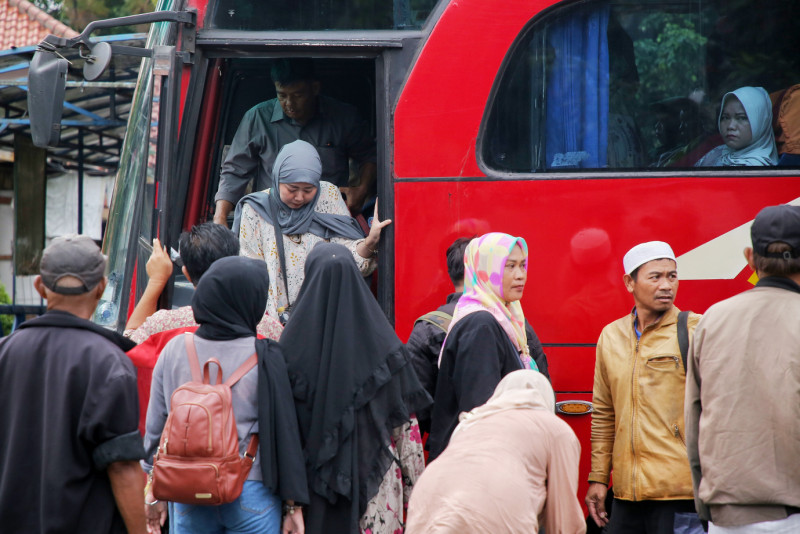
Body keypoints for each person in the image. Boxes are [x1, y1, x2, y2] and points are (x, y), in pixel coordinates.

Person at [143, 256, 307, 534]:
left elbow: (155, 431)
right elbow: (285, 434)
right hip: (250, 489)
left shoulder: (173, 350)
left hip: (186, 487)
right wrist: (293, 506)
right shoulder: (265, 355)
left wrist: (153, 491)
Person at [279, 242, 432, 534]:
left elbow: (282, 434)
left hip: (307, 500)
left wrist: (288, 503)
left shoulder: (287, 351)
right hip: (376, 497)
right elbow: (407, 435)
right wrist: (417, 501)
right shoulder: (387, 350)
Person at [0, 234, 146, 533]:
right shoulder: (110, 363)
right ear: (101, 288)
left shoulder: (5, 353)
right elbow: (122, 466)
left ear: (39, 286)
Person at [685, 204, 800, 533]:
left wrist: (706, 506)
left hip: (728, 513)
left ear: (750, 258)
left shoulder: (712, 319)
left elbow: (694, 422)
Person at [585, 241, 701, 533]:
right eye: (655, 277)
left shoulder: (695, 330)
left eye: (672, 276)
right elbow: (604, 413)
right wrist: (598, 478)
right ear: (629, 282)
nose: (666, 285)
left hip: (679, 492)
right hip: (626, 494)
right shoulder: (611, 336)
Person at [406, 370, 585, 534]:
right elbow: (564, 521)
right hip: (497, 503)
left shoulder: (472, 420)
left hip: (428, 494)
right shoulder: (556, 429)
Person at [406, 236, 549, 435]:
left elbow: (415, 406)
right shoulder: (482, 325)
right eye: (509, 266)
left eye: (523, 265)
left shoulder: (512, 320)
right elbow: (482, 412)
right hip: (484, 446)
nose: (521, 275)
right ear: (485, 269)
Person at [234, 139, 388, 319]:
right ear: (277, 179)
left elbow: (347, 261)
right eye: (292, 189)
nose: (300, 197)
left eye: (308, 189)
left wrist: (370, 242)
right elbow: (250, 273)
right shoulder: (255, 209)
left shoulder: (328, 196)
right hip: (273, 320)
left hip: (326, 314)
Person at [214, 58, 377, 222]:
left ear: (315, 88)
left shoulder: (344, 118)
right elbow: (235, 170)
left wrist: (362, 190)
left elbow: (370, 156)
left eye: (298, 95)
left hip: (327, 219)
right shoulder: (257, 118)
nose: (289, 104)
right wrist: (220, 217)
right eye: (282, 95)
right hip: (272, 219)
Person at [124, 222, 282, 344]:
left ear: (186, 273)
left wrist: (157, 280)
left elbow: (129, 347)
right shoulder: (270, 328)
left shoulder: (163, 324)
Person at [695, 86, 778, 166]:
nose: (730, 126)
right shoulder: (720, 152)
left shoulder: (756, 169)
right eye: (725, 117)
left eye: (741, 118)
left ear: (760, 122)